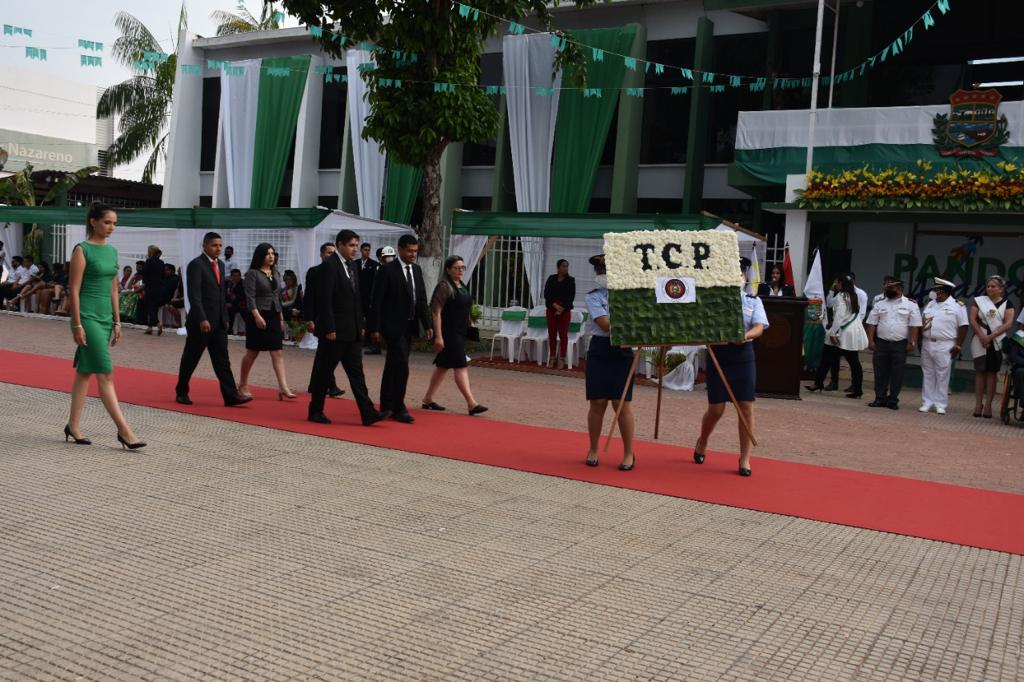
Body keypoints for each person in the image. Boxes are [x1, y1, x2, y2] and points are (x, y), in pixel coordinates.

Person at [64, 202, 145, 449]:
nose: (111, 227)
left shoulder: (112, 252)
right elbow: (74, 290)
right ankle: (124, 431)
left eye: (114, 223)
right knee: (106, 372)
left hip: (105, 318)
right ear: (93, 222)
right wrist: (77, 324)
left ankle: (73, 426)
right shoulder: (82, 250)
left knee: (85, 372)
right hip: (86, 317)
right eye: (107, 222)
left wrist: (118, 320)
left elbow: (113, 289)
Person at [693, 261, 769, 477]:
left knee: (745, 407)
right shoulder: (712, 301)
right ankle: (703, 440)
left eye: (739, 272)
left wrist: (743, 336)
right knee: (716, 408)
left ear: (744, 276)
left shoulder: (753, 301)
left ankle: (744, 458)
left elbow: (759, 328)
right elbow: (702, 325)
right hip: (719, 355)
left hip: (743, 356)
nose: (736, 276)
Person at [307, 229, 390, 426]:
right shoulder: (329, 266)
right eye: (352, 245)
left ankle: (368, 413)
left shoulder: (352, 266)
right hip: (334, 331)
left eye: (356, 246)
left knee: (357, 374)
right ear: (340, 245)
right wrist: (328, 327)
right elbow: (325, 300)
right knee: (324, 372)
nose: (355, 250)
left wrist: (361, 325)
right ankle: (315, 410)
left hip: (351, 331)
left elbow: (356, 299)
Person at [175, 232, 251, 407]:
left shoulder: (222, 265)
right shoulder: (196, 265)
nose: (218, 249)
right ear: (204, 246)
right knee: (191, 358)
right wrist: (202, 318)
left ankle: (231, 396)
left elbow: (221, 295)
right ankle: (181, 391)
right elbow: (194, 295)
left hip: (218, 323)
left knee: (222, 360)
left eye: (220, 246)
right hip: (200, 322)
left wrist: (225, 317)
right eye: (214, 245)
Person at [369, 234, 432, 424]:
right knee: (402, 365)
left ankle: (386, 404)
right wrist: (375, 328)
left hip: (410, 326)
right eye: (410, 251)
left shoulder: (417, 270)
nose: (413, 254)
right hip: (392, 325)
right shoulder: (387, 270)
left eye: (415, 251)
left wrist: (427, 324)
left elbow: (421, 299)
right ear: (400, 250)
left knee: (393, 365)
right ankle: (399, 407)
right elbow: (376, 301)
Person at [582, 254, 636, 471]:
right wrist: (630, 323)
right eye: (600, 270)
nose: (603, 274)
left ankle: (629, 453)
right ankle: (593, 448)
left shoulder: (629, 295)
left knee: (621, 404)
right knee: (597, 403)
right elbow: (604, 324)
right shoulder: (593, 297)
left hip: (622, 351)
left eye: (606, 270)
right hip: (601, 349)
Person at [420, 256, 487, 415]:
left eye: (462, 267)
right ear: (448, 270)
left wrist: (470, 320)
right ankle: (471, 403)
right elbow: (436, 313)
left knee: (442, 367)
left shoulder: (462, 285)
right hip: (449, 333)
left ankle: (428, 399)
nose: (460, 270)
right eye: (456, 268)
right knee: (460, 365)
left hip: (461, 331)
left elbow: (465, 306)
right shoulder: (444, 286)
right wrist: (439, 336)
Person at [238, 243, 294, 400]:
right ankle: (242, 383)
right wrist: (257, 316)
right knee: (253, 352)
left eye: (273, 253)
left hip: (274, 314)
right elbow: (250, 298)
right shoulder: (252, 274)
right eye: (267, 253)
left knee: (278, 352)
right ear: (260, 256)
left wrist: (281, 317)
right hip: (258, 314)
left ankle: (283, 387)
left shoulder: (275, 272)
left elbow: (277, 297)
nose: (271, 256)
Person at [806, 274, 867, 397]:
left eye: (836, 283)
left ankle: (818, 383)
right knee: (853, 362)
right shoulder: (852, 295)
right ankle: (857, 389)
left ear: (841, 284)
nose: (835, 285)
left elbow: (839, 316)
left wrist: (833, 333)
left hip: (842, 332)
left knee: (828, 359)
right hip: (851, 332)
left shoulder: (841, 296)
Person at [865, 278, 922, 409]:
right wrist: (871, 340)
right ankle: (880, 398)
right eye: (886, 288)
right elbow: (872, 323)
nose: (887, 291)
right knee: (880, 372)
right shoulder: (880, 304)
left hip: (900, 344)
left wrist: (912, 342)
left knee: (897, 373)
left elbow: (914, 325)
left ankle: (893, 400)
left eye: (891, 289)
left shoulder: (911, 304)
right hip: (881, 343)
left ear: (899, 289)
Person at [919, 277, 968, 415]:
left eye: (937, 290)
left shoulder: (958, 306)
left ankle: (940, 404)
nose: (934, 292)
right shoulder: (930, 304)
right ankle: (927, 402)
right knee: (928, 373)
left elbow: (963, 326)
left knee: (942, 374)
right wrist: (920, 341)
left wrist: (958, 345)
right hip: (927, 342)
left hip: (945, 344)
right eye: (935, 289)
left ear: (945, 291)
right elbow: (922, 323)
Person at [969, 275, 1015, 418]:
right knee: (980, 371)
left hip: (997, 341)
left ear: (1001, 289)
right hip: (979, 339)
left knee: (991, 373)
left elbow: (1008, 323)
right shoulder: (979, 301)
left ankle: (988, 405)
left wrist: (990, 337)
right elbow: (972, 319)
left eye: (993, 286)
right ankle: (978, 404)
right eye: (988, 286)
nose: (990, 288)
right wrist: (982, 336)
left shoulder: (1008, 304)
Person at [303, 242, 344, 398]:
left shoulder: (339, 271)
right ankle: (329, 386)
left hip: (336, 318)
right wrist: (309, 319)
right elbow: (309, 297)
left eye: (333, 253)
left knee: (324, 354)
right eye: (328, 252)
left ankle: (317, 385)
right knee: (326, 353)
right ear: (321, 254)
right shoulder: (314, 272)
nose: (331, 255)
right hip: (321, 318)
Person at [543, 259, 576, 369]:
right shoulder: (551, 279)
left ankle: (562, 358)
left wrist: (561, 308)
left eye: (567, 266)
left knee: (563, 335)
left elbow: (571, 297)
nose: (565, 268)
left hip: (564, 311)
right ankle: (552, 357)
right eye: (563, 266)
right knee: (552, 334)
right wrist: (555, 305)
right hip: (551, 310)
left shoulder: (571, 280)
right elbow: (547, 294)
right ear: (558, 268)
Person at [357, 242, 381, 354]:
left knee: (370, 320)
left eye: (368, 250)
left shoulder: (374, 264)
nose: (367, 252)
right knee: (358, 318)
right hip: (357, 296)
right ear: (360, 250)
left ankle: (370, 341)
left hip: (369, 297)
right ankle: (359, 340)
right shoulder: (355, 263)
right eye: (365, 250)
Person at [140, 245, 165, 335]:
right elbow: (163, 275)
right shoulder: (161, 262)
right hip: (160, 287)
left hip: (151, 287)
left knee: (148, 306)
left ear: (150, 252)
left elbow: (144, 273)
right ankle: (150, 328)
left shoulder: (149, 261)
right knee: (155, 307)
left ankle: (158, 323)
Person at [160, 264, 183, 328]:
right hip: (172, 299)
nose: (165, 271)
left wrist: (177, 299)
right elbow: (176, 291)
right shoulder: (165, 278)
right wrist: (174, 298)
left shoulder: (175, 279)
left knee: (169, 305)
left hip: (181, 299)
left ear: (172, 271)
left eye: (167, 270)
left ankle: (179, 322)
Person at [225, 268, 246, 335]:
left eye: (237, 276)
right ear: (231, 276)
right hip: (228, 304)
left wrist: (231, 304)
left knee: (231, 310)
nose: (236, 278)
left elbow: (241, 296)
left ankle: (231, 331)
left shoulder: (243, 284)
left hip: (239, 305)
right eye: (234, 276)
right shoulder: (228, 283)